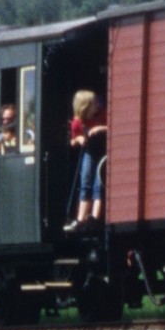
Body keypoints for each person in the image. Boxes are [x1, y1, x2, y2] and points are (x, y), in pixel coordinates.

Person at [64, 90, 108, 232]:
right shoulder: (77, 123)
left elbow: (112, 126)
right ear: (86, 107)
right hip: (89, 152)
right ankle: (81, 218)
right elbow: (72, 141)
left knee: (98, 183)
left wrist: (100, 128)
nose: (97, 105)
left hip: (102, 151)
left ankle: (95, 217)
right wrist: (79, 139)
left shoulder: (102, 114)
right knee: (85, 182)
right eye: (93, 103)